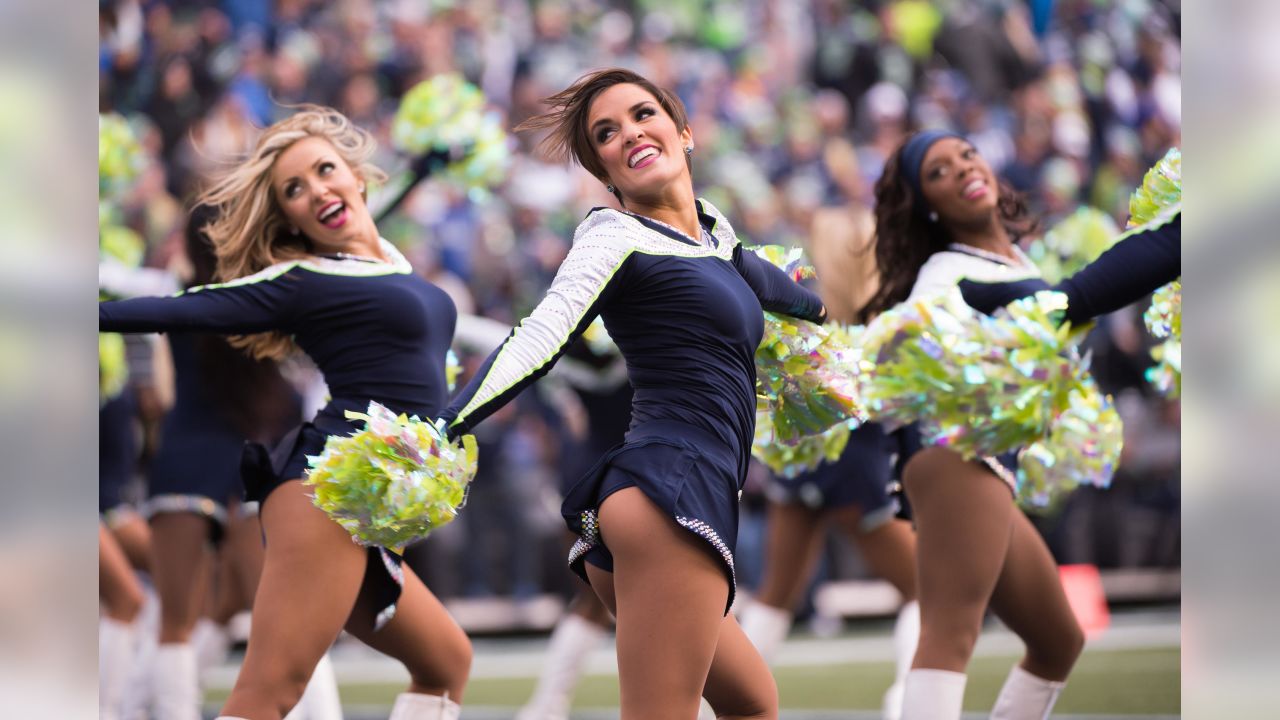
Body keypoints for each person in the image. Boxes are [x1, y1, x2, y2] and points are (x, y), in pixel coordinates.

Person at [439, 68, 827, 719]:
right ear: (606, 173)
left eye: (643, 114)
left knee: (754, 702)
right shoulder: (613, 237)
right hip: (666, 496)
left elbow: (794, 298)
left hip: (669, 496)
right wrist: (442, 424)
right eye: (606, 134)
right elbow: (538, 337)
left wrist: (846, 340)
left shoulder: (716, 238)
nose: (630, 134)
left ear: (683, 132)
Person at [99, 106, 471, 720]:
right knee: (264, 698)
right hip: (323, 498)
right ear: (288, 218)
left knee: (446, 661)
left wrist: (425, 168)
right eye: (293, 190)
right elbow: (182, 310)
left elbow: (381, 212)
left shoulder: (385, 260)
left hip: (369, 505)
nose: (316, 191)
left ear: (355, 175)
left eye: (326, 170)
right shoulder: (302, 280)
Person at [859, 130, 1084, 720]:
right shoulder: (946, 271)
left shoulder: (1012, 258)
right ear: (927, 204)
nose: (962, 169)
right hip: (955, 460)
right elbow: (901, 345)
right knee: (950, 635)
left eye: (967, 154)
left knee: (1059, 640)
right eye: (939, 171)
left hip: (984, 468)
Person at [739, 203, 919, 720]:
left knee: (775, 595)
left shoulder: (800, 318)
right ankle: (907, 702)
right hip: (857, 473)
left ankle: (716, 709)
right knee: (925, 590)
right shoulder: (882, 324)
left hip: (798, 469)